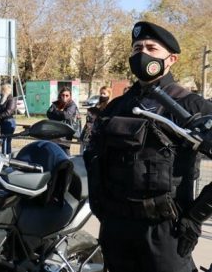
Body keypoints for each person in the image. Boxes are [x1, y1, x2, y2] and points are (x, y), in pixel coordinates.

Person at [84, 21, 212, 272]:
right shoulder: (117, 106)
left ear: (171, 59)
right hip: (115, 229)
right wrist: (100, 208)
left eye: (152, 48)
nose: (142, 53)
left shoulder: (191, 106)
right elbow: (94, 156)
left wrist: (195, 218)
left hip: (165, 231)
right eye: (136, 48)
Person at [0, 83, 17, 154]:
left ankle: (7, 157)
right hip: (1, 122)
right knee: (2, 141)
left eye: (2, 90)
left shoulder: (11, 99)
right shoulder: (1, 100)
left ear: (6, 90)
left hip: (8, 122)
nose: (1, 92)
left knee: (6, 141)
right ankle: (3, 156)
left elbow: (8, 112)